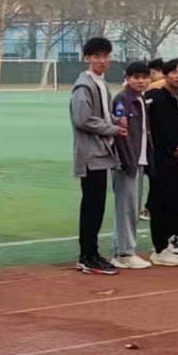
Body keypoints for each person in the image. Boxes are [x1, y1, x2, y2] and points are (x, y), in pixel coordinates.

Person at [69, 37, 123, 275]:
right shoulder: (84, 86)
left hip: (101, 152)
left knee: (97, 205)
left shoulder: (100, 83)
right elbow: (83, 119)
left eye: (106, 56)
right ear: (87, 58)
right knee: (92, 206)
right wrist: (112, 129)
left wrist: (116, 122)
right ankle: (87, 255)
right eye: (97, 56)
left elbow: (104, 114)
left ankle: (91, 253)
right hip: (91, 153)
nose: (102, 60)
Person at [144, 59, 178, 266]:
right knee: (160, 202)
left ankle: (168, 243)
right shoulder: (155, 97)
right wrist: (174, 147)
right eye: (173, 72)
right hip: (159, 159)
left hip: (177, 158)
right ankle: (159, 248)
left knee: (174, 200)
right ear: (165, 75)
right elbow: (156, 130)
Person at [110, 60, 154, 269]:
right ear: (127, 78)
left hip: (139, 159)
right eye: (136, 77)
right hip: (128, 161)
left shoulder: (140, 99)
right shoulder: (122, 99)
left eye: (144, 77)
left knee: (133, 207)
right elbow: (121, 133)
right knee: (126, 208)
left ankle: (126, 249)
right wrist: (126, 160)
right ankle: (124, 252)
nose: (141, 81)